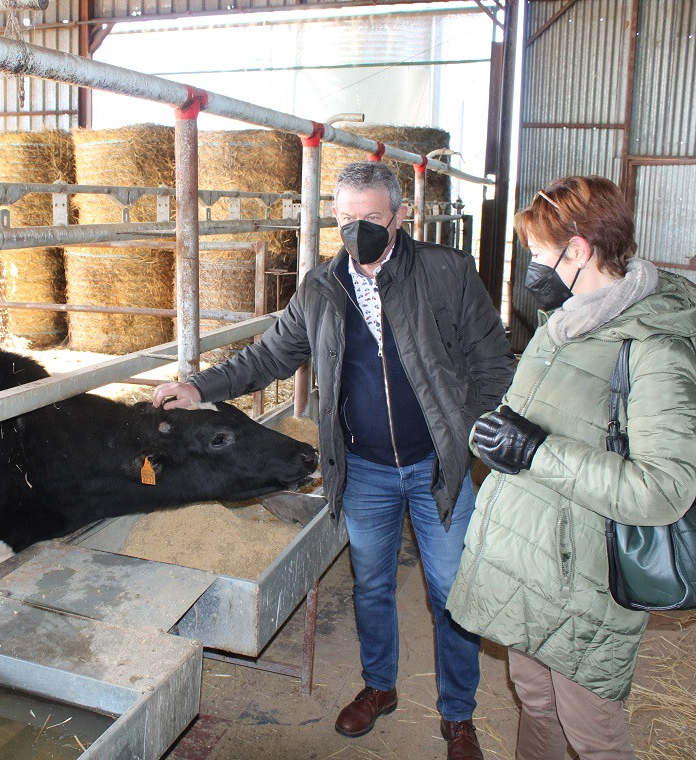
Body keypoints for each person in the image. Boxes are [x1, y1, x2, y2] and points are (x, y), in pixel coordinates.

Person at [153, 161, 514, 759]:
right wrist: (200, 388)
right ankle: (379, 687)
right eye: (347, 220)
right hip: (365, 466)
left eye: (372, 218)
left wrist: (464, 436)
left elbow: (492, 361)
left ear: (401, 216)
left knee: (451, 591)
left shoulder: (446, 274)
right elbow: (268, 355)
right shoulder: (321, 288)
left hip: (436, 466)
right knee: (371, 583)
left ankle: (458, 716)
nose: (358, 230)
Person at [446, 175, 696, 759]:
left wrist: (536, 452)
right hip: (531, 562)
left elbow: (665, 490)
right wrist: (499, 435)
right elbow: (543, 416)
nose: (532, 264)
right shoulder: (566, 322)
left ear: (579, 250)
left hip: (585, 578)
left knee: (592, 732)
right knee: (535, 701)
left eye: (539, 252)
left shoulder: (653, 348)